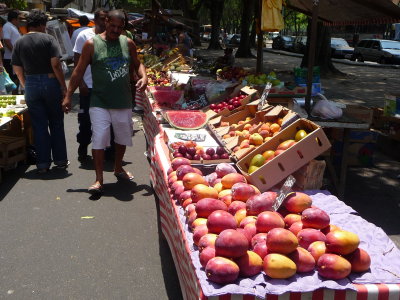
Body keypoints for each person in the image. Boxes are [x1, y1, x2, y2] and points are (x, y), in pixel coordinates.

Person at [63, 9, 148, 194]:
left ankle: (118, 168)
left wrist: (144, 76)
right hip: (99, 101)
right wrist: (68, 95)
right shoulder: (91, 44)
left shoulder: (128, 43)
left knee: (121, 137)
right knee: (99, 138)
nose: (116, 30)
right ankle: (98, 179)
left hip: (123, 101)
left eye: (120, 27)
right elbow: (77, 71)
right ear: (105, 22)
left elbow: (137, 63)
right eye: (113, 25)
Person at [12, 9, 69, 173]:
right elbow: (56, 64)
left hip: (30, 83)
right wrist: (63, 88)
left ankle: (43, 164)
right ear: (42, 24)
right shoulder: (49, 39)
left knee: (39, 125)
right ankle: (60, 160)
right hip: (50, 82)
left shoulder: (19, 42)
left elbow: (17, 68)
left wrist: (26, 83)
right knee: (56, 123)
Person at [73, 8, 108, 161]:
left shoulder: (112, 36)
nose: (105, 22)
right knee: (86, 120)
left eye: (107, 19)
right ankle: (83, 147)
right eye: (102, 18)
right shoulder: (84, 36)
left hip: (106, 88)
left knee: (106, 121)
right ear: (95, 19)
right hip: (88, 85)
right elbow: (76, 62)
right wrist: (80, 83)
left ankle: (106, 150)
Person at [3, 10, 21, 93]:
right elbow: (6, 41)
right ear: (14, 19)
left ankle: (16, 96)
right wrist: (15, 53)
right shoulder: (7, 26)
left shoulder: (13, 27)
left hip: (15, 58)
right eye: (18, 19)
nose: (19, 21)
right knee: (14, 80)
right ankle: (14, 97)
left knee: (17, 79)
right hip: (10, 58)